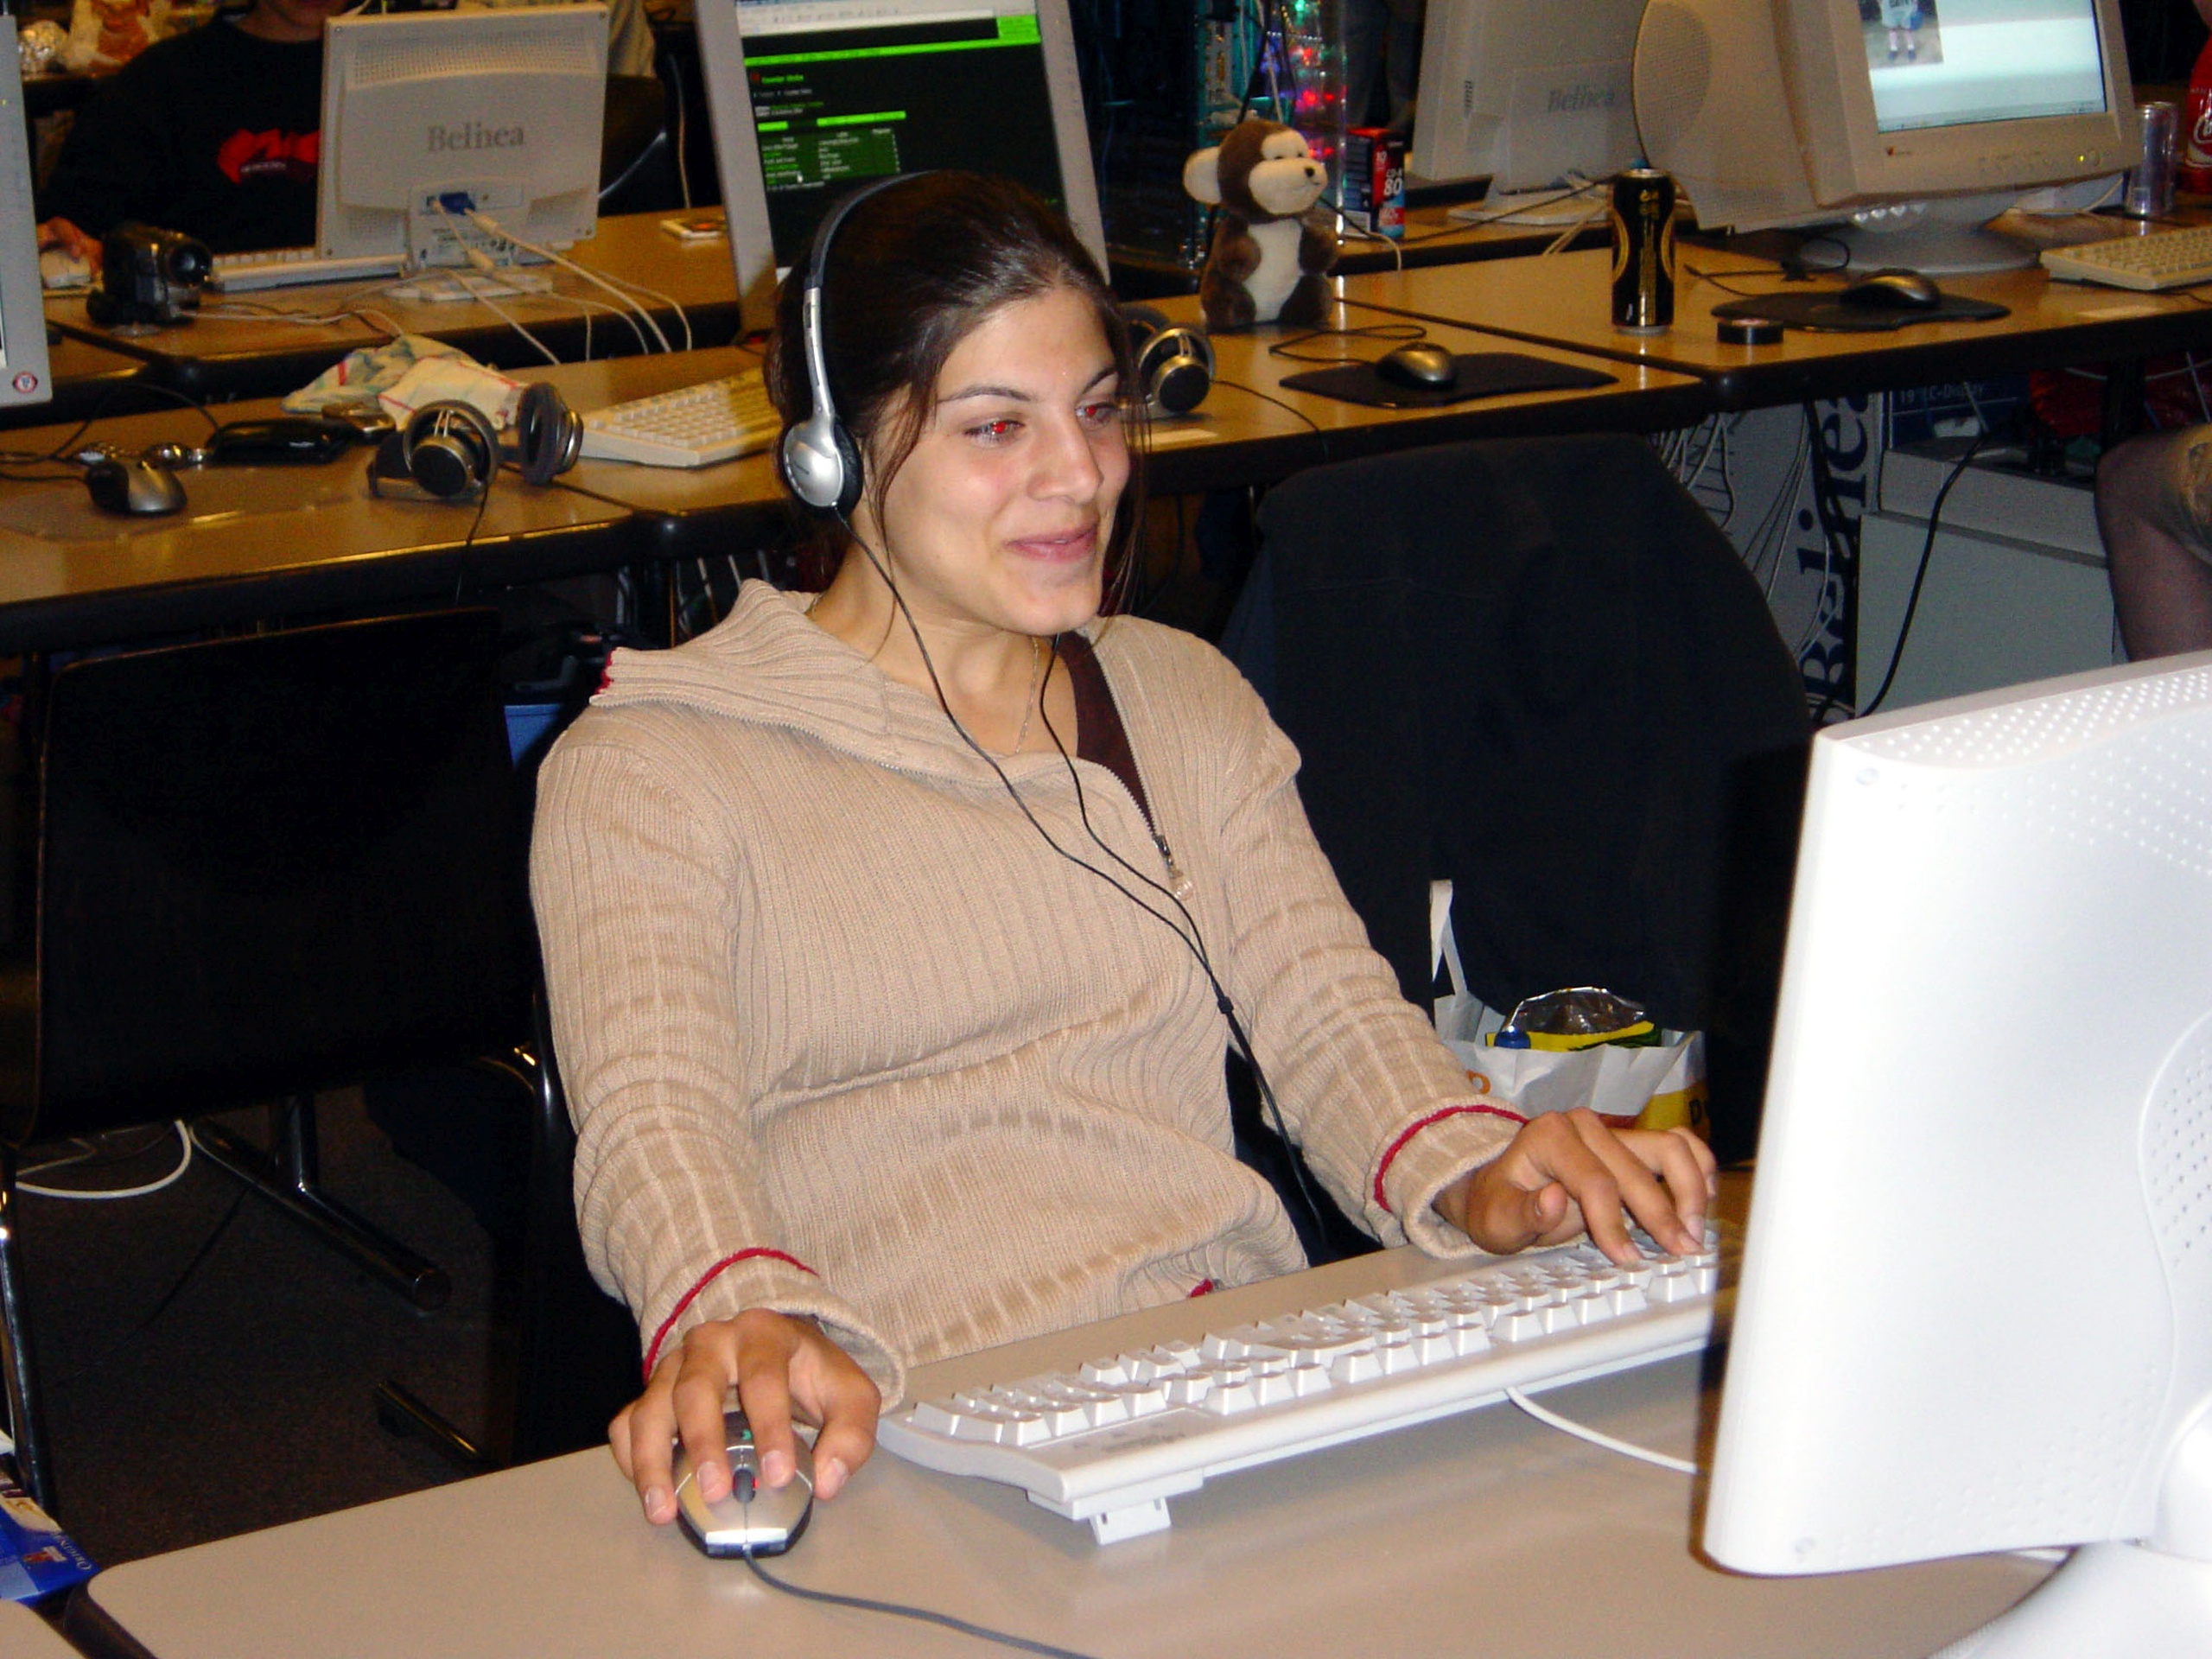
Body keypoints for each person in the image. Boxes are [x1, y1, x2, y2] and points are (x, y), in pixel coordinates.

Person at [529, 171, 1718, 1530]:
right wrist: (730, 1308)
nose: (1083, 475)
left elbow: (1328, 1013)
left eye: (1098, 410)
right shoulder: (658, 764)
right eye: (997, 426)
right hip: (893, 1425)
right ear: (832, 456)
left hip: (1220, 1375)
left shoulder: (1171, 695)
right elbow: (654, 1124)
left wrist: (1480, 1166)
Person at [37, 0, 655, 269]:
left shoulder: (439, 62)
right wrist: (63, 243)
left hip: (423, 330)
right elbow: (68, 235)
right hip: (229, 352)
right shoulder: (162, 85)